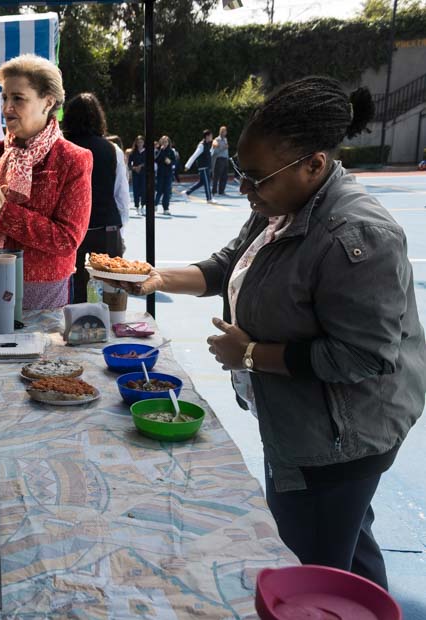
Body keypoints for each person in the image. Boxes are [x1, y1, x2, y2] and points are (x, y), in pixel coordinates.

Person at [122, 76, 425, 590]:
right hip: (304, 421)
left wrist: (253, 354)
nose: (245, 189)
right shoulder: (281, 206)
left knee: (314, 568)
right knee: (348, 540)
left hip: (339, 439)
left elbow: (363, 357)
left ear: (314, 165)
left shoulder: (358, 236)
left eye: (257, 178)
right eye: (241, 173)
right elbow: (227, 264)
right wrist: (152, 276)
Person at [0, 54, 92, 311]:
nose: (7, 107)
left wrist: (2, 213)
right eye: (5, 97)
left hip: (42, 290)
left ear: (47, 102)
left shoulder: (72, 159)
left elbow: (67, 240)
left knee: (40, 351)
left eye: (18, 98)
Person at [62, 93, 128, 303]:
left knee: (73, 295)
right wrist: (120, 232)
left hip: (69, 234)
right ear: (99, 118)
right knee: (110, 295)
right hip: (106, 231)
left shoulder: (60, 147)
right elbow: (121, 197)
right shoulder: (112, 149)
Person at [184, 129, 215, 203]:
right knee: (207, 182)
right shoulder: (201, 145)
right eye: (211, 136)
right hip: (203, 167)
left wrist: (213, 148)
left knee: (201, 183)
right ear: (207, 136)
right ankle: (209, 199)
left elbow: (209, 154)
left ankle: (186, 192)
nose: (212, 137)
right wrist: (187, 165)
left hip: (206, 166)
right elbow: (194, 155)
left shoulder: (207, 144)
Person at [154, 135, 179, 216]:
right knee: (159, 190)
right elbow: (156, 160)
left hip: (168, 174)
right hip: (160, 174)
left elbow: (175, 162)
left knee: (167, 192)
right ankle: (155, 204)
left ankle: (166, 208)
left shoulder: (171, 151)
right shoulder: (158, 151)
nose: (165, 143)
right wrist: (161, 151)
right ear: (161, 142)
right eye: (163, 141)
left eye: (166, 142)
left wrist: (170, 162)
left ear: (169, 143)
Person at [128, 135, 146, 214]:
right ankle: (137, 206)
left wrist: (141, 166)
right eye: (138, 142)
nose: (140, 144)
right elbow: (129, 164)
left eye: (141, 142)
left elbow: (149, 162)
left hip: (143, 173)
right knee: (136, 190)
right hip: (136, 174)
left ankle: (143, 205)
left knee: (143, 189)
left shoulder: (146, 152)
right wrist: (134, 168)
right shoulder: (133, 152)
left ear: (143, 143)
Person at [212, 125, 230, 196]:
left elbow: (226, 149)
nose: (225, 133)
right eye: (224, 131)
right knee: (217, 176)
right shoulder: (216, 140)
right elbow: (215, 151)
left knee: (224, 176)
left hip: (225, 159)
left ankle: (221, 191)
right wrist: (223, 148)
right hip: (219, 159)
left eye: (225, 131)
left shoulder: (225, 139)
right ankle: (214, 191)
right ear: (221, 132)